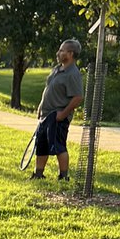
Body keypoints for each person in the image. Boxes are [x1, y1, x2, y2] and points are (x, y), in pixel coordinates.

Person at [31, 39, 84, 180]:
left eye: (61, 51)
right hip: (46, 114)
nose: (58, 53)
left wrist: (63, 114)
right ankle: (38, 174)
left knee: (59, 146)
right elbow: (48, 88)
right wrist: (41, 106)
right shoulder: (57, 69)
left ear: (70, 54)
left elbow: (78, 97)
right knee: (41, 144)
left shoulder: (73, 74)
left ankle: (63, 176)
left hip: (57, 116)